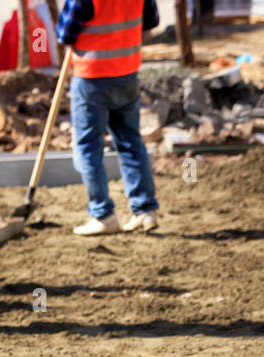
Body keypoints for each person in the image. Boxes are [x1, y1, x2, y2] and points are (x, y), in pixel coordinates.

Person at [56, 0, 160, 237]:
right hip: (127, 73)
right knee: (131, 142)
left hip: (92, 76)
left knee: (88, 147)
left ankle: (102, 215)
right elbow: (151, 21)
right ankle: (145, 211)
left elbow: (65, 31)